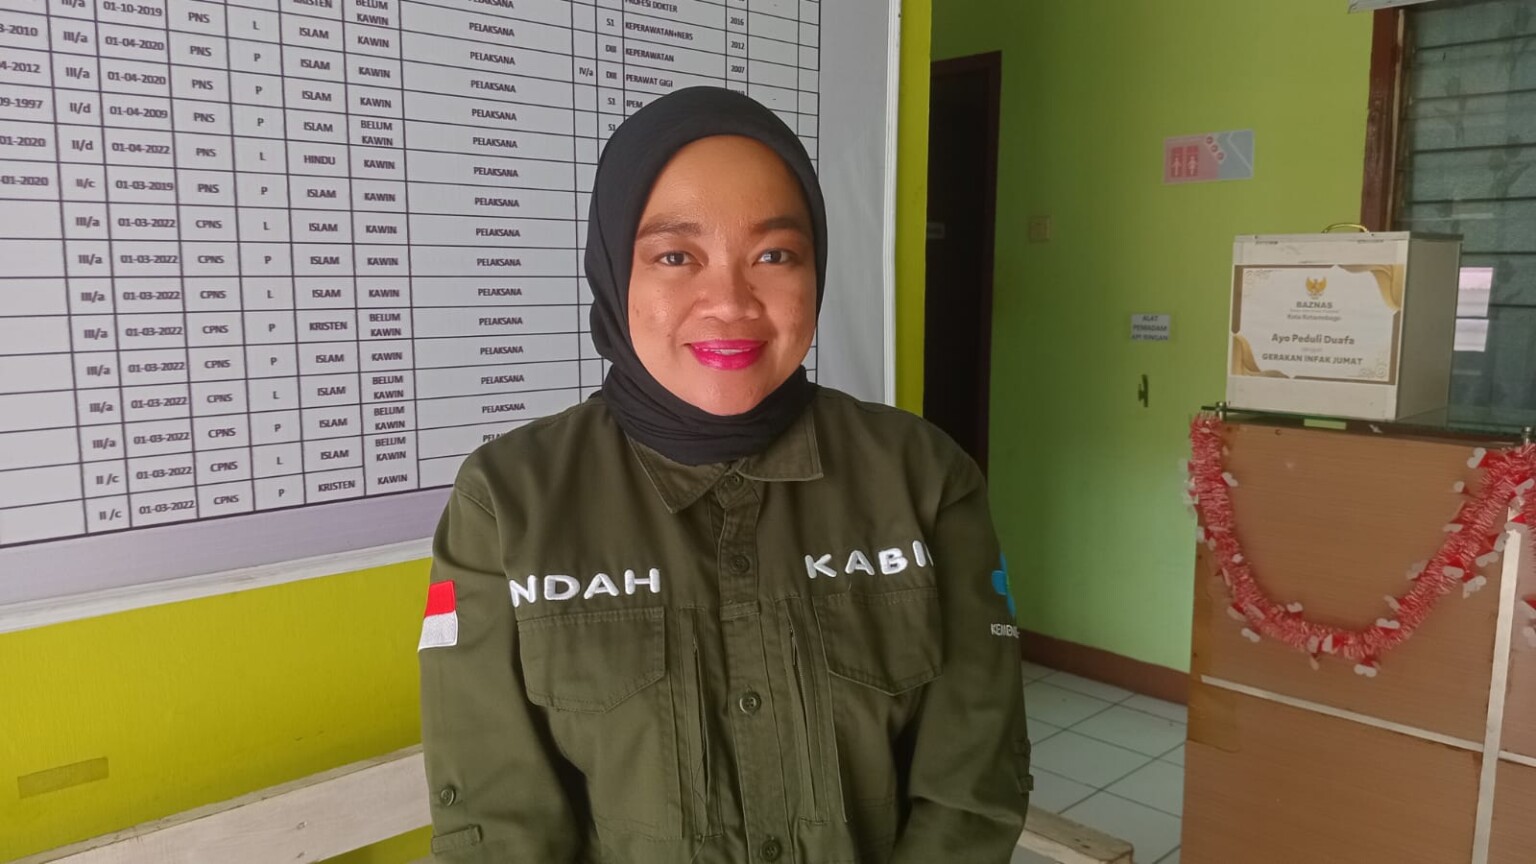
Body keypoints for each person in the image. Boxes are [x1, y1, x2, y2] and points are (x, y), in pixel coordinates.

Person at [418, 86, 1031, 864]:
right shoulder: (507, 502)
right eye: (676, 256)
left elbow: (971, 791)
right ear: (615, 270)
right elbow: (498, 830)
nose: (730, 302)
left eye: (774, 255)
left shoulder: (924, 478)